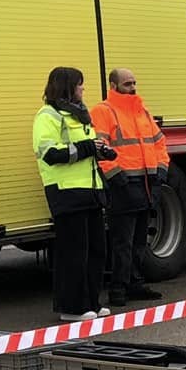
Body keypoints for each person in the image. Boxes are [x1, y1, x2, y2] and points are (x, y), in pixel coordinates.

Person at [31, 67, 114, 319]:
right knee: (73, 253)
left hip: (90, 191)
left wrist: (100, 151)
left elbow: (84, 151)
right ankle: (71, 308)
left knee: (96, 251)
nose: (83, 88)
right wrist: (88, 147)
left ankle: (91, 303)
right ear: (67, 87)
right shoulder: (48, 115)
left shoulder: (79, 115)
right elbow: (50, 153)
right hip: (66, 193)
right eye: (79, 84)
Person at [89, 67, 169, 307]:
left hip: (146, 183)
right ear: (113, 86)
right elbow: (99, 148)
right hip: (123, 185)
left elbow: (159, 143)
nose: (133, 87)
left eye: (134, 83)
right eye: (127, 84)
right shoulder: (103, 111)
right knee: (122, 242)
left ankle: (135, 283)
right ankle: (118, 288)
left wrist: (161, 170)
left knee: (139, 241)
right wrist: (116, 177)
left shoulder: (141, 110)